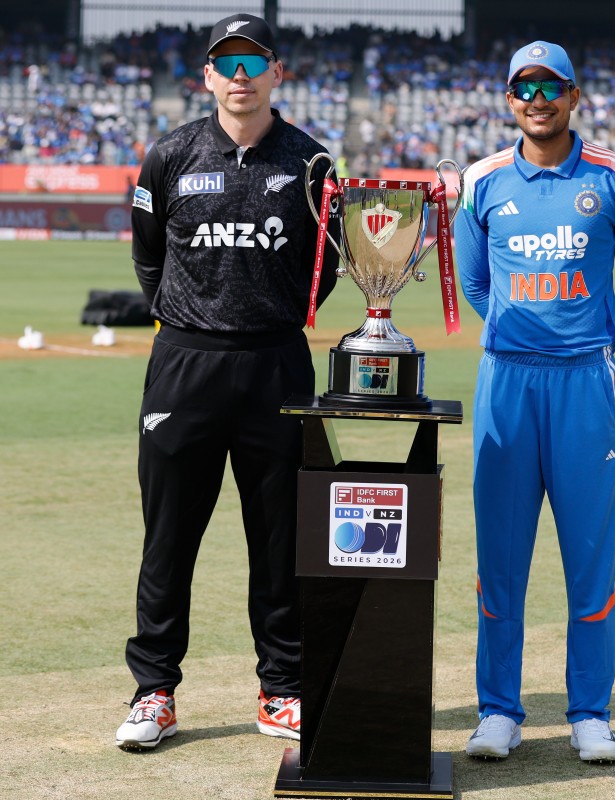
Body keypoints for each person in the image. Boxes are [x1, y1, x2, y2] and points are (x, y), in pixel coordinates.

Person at [115, 12, 340, 750]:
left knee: (280, 539)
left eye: (253, 61)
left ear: (277, 71)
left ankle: (283, 689)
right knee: (168, 536)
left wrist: (273, 315)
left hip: (276, 363)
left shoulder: (311, 163)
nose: (240, 76)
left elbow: (328, 267)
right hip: (186, 365)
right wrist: (187, 318)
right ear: (207, 75)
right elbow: (148, 256)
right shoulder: (170, 154)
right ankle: (154, 690)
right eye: (226, 63)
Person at [454, 41, 615, 762]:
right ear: (509, 99)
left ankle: (590, 713)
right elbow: (474, 284)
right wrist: (521, 334)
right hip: (507, 382)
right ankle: (498, 711)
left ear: (574, 95)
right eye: (524, 88)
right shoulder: (481, 181)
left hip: (585, 385)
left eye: (551, 87)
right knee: (501, 558)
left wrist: (591, 340)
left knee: (589, 556)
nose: (537, 100)